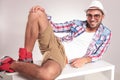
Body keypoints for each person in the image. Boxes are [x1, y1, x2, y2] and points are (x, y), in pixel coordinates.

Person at [0, 0, 111, 80]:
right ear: (86, 15)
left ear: (102, 16)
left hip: (62, 56)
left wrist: (85, 59)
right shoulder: (77, 23)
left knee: (46, 75)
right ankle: (25, 58)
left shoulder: (106, 33)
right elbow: (55, 27)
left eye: (96, 16)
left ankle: (10, 63)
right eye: (89, 15)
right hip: (56, 43)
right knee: (36, 13)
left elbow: (99, 53)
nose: (92, 19)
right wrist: (43, 14)